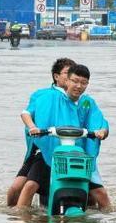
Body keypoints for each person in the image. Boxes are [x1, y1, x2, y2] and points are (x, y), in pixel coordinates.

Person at [16, 64, 110, 209]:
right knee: (29, 187)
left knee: (100, 194)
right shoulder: (48, 96)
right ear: (66, 80)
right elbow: (26, 113)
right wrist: (33, 127)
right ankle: (20, 222)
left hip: (79, 154)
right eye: (75, 81)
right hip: (49, 151)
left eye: (83, 83)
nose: (78, 86)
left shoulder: (87, 102)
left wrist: (101, 132)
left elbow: (100, 122)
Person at [6, 57, 76, 207]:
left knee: (31, 186)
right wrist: (32, 127)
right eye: (67, 73)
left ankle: (24, 220)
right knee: (14, 188)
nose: (71, 77)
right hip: (40, 147)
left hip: (61, 150)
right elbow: (26, 113)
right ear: (56, 76)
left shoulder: (77, 98)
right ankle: (14, 220)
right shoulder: (41, 94)